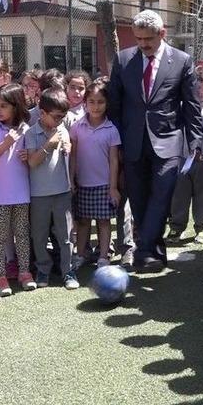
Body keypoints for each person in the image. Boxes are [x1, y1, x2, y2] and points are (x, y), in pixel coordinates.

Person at [108, 10, 202, 271]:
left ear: (162, 34)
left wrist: (195, 142)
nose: (143, 44)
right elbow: (114, 104)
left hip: (169, 140)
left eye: (148, 39)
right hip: (132, 141)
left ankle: (144, 249)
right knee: (138, 199)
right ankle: (155, 253)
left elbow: (192, 105)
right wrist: (115, 142)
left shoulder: (182, 60)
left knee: (161, 196)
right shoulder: (123, 59)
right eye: (138, 39)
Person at [0, 84, 33, 296]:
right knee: (0, 235)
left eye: (4, 106)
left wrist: (28, 158)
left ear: (16, 106)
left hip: (22, 192)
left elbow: (31, 163)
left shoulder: (26, 129)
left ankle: (24, 271)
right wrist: (6, 142)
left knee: (22, 233)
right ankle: (0, 277)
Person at [25, 87, 77, 289]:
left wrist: (68, 150)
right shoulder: (31, 133)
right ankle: (43, 271)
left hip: (62, 191)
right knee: (39, 236)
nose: (60, 121)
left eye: (63, 117)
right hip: (39, 194)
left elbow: (69, 157)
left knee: (65, 236)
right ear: (42, 112)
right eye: (56, 117)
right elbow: (32, 162)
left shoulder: (63, 129)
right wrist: (50, 144)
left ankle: (68, 270)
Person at [70, 80, 122, 268]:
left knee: (103, 222)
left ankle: (103, 256)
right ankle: (81, 254)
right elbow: (73, 155)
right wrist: (72, 179)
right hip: (82, 184)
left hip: (103, 185)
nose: (96, 106)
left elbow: (114, 160)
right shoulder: (76, 127)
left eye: (100, 101)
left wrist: (113, 187)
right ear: (85, 103)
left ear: (107, 103)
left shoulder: (111, 129)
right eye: (91, 101)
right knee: (83, 222)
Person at [166, 65, 203, 246]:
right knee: (179, 195)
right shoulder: (183, 103)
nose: (202, 91)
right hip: (183, 157)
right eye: (197, 88)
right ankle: (176, 227)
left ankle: (202, 227)